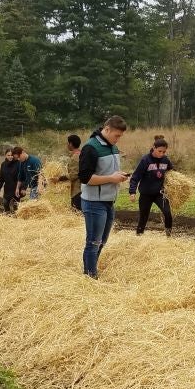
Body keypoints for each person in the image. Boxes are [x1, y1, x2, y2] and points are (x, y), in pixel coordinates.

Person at [77, 115, 130, 278]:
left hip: (108, 201)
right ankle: (90, 276)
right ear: (107, 130)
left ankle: (91, 269)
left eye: (120, 136)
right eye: (117, 135)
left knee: (102, 241)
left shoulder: (112, 147)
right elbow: (85, 178)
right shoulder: (90, 148)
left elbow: (108, 172)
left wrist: (118, 175)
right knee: (93, 242)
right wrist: (111, 178)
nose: (118, 139)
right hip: (94, 203)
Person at [129, 135, 175, 237]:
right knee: (143, 217)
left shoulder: (165, 160)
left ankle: (169, 236)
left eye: (164, 152)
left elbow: (172, 173)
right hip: (146, 194)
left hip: (160, 193)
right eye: (160, 151)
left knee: (168, 213)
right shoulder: (145, 160)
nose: (162, 154)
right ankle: (139, 235)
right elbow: (136, 176)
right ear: (154, 148)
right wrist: (132, 192)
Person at [0, 148, 21, 213]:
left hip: (16, 189)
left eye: (12, 155)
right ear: (5, 155)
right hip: (7, 189)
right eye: (8, 155)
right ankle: (7, 217)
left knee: (16, 207)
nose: (10, 157)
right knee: (5, 204)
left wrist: (23, 188)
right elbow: (1, 178)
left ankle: (16, 219)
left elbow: (22, 177)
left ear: (14, 155)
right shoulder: (3, 164)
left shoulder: (19, 164)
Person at [68, 134, 83, 213]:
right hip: (83, 189)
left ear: (70, 144)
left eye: (67, 143)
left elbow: (73, 175)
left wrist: (59, 178)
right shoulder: (81, 154)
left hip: (77, 190)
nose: (67, 145)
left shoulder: (75, 157)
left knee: (77, 213)